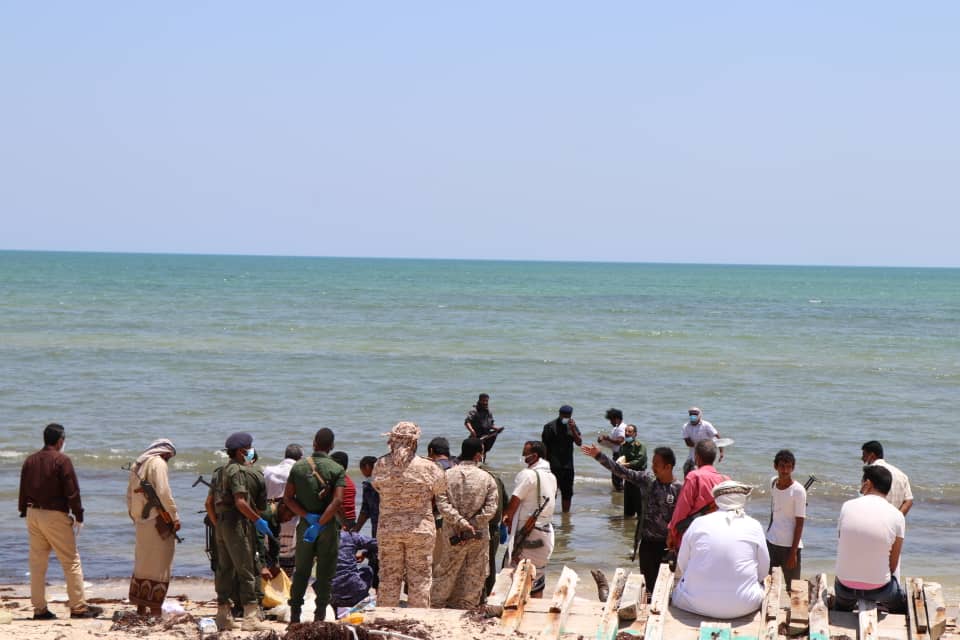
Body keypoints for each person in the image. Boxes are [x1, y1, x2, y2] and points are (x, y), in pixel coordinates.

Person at [18, 423, 103, 620]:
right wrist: (79, 515)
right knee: (71, 561)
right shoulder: (62, 460)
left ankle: (39, 609)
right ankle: (78, 607)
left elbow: (23, 488)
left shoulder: (30, 460)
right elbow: (72, 491)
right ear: (60, 441)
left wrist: (23, 510)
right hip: (54, 515)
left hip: (32, 513)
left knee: (37, 564)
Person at [581, 443, 680, 598]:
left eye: (656, 464)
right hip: (647, 544)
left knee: (665, 590)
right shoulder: (648, 480)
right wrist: (599, 456)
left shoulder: (679, 489)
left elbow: (684, 518)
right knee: (648, 588)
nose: (653, 467)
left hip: (668, 547)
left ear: (668, 467)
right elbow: (621, 471)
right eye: (652, 463)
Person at [372, 421, 450, 608]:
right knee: (420, 580)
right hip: (420, 529)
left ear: (391, 440)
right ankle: (417, 619)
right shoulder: (429, 467)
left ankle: (385, 618)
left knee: (388, 578)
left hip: (389, 530)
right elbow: (440, 489)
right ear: (414, 442)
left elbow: (377, 487)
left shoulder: (380, 464)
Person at [672, 481, 770, 619]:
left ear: (717, 500)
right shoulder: (754, 525)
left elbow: (683, 564)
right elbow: (764, 570)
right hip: (744, 606)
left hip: (695, 604)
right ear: (742, 499)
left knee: (678, 591)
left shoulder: (698, 523)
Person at [205, 432, 272, 631]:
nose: (250, 451)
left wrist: (218, 524)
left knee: (224, 569)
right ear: (242, 452)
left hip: (221, 525)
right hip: (237, 525)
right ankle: (250, 618)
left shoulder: (219, 472)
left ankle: (223, 616)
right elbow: (241, 502)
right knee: (246, 570)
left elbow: (208, 503)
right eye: (248, 449)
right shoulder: (238, 471)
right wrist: (258, 520)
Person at [283, 428, 346, 623]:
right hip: (328, 527)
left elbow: (288, 498)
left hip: (306, 526)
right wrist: (321, 522)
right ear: (332, 446)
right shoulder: (337, 469)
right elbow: (337, 501)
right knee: (325, 573)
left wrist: (308, 517)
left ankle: (295, 616)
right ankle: (319, 616)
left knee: (301, 571)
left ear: (314, 443)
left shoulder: (299, 467)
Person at [431, 438, 499, 609]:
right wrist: (472, 523)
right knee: (474, 573)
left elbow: (442, 504)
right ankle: (466, 607)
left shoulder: (447, 475)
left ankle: (436, 606)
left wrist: (460, 522)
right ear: (478, 455)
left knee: (446, 571)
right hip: (477, 534)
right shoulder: (487, 478)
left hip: (453, 533)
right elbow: (491, 509)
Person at [834, 465, 907, 613]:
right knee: (900, 605)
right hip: (880, 589)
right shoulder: (897, 516)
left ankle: (841, 610)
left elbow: (842, 541)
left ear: (867, 483)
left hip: (845, 587)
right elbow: (893, 565)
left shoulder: (846, 506)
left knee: (842, 605)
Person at [126, 438, 180, 616]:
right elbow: (164, 492)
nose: (168, 460)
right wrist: (174, 517)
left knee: (142, 563)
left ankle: (141, 607)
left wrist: (134, 516)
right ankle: (155, 609)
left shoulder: (138, 464)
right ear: (165, 453)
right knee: (160, 565)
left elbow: (129, 494)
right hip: (157, 521)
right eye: (169, 457)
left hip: (141, 520)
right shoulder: (158, 463)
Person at [501, 441, 558, 598]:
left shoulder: (528, 475)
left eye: (525, 453)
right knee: (537, 578)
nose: (523, 456)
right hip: (546, 533)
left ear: (535, 456)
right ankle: (536, 608)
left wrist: (505, 521)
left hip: (527, 534)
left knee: (513, 574)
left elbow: (514, 503)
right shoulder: (552, 477)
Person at [667, 439, 728, 551]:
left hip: (695, 536)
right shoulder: (725, 480)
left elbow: (681, 510)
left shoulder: (694, 477)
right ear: (714, 457)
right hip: (719, 536)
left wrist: (672, 532)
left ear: (697, 457)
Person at [765, 449, 806, 585]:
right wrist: (768, 532)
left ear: (793, 468)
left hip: (790, 547)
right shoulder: (773, 482)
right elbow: (775, 510)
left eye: (789, 467)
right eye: (782, 466)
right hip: (771, 543)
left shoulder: (798, 491)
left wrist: (793, 553)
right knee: (769, 585)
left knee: (793, 588)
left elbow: (800, 523)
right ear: (775, 466)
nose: (785, 470)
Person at [263, 444, 303, 575]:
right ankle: (285, 581)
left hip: (269, 519)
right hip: (292, 522)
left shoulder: (267, 471)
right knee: (288, 560)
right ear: (300, 458)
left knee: (269, 554)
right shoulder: (300, 473)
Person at [541, 405, 581, 512]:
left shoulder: (572, 426)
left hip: (568, 465)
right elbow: (544, 447)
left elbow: (579, 442)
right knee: (551, 492)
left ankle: (565, 516)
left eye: (568, 415)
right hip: (553, 465)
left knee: (567, 493)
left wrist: (573, 429)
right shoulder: (550, 427)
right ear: (559, 414)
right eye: (564, 415)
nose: (566, 417)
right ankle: (549, 513)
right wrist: (544, 465)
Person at [860, 441, 913, 516]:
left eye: (864, 455)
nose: (862, 458)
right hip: (894, 520)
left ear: (871, 455)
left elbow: (864, 497)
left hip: (875, 518)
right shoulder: (902, 475)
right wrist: (898, 518)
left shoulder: (870, 473)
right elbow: (908, 501)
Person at [331, 530, 378, 610]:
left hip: (330, 595)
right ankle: (366, 597)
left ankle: (336, 606)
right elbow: (377, 543)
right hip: (356, 593)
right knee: (367, 569)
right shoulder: (351, 536)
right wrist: (365, 553)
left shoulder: (320, 538)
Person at [619, 424, 648, 518]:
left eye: (630, 432)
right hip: (628, 477)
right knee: (628, 506)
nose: (627, 433)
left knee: (639, 505)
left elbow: (639, 461)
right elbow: (621, 459)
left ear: (635, 434)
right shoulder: (623, 446)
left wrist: (626, 465)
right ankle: (628, 524)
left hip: (639, 476)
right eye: (626, 431)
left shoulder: (640, 446)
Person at [681, 407, 721, 476]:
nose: (693, 416)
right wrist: (702, 446)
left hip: (706, 456)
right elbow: (688, 443)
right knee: (686, 470)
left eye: (695, 414)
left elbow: (717, 436)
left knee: (703, 474)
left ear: (700, 415)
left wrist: (721, 452)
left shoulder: (706, 425)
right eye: (691, 414)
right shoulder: (685, 426)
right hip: (692, 456)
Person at [465, 393, 504, 458]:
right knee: (473, 454)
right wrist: (472, 431)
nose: (485, 403)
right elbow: (467, 422)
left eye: (487, 401)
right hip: (476, 436)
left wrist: (497, 429)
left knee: (484, 453)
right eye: (483, 401)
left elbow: (490, 425)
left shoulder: (488, 412)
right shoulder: (474, 410)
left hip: (486, 436)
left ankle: (482, 463)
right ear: (479, 400)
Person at [598, 408, 627, 491]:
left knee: (617, 477)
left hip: (620, 454)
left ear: (617, 419)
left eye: (611, 420)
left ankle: (620, 493)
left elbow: (620, 441)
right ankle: (619, 494)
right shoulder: (616, 428)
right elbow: (613, 444)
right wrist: (603, 441)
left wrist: (608, 439)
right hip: (617, 454)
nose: (610, 422)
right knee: (616, 476)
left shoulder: (622, 428)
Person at [330, 451, 357, 530]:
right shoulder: (349, 481)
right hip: (351, 519)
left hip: (342, 520)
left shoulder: (338, 481)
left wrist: (344, 523)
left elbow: (339, 504)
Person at [354, 456, 380, 538]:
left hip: (378, 525)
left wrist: (356, 529)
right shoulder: (388, 481)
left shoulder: (369, 485)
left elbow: (365, 510)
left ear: (367, 467)